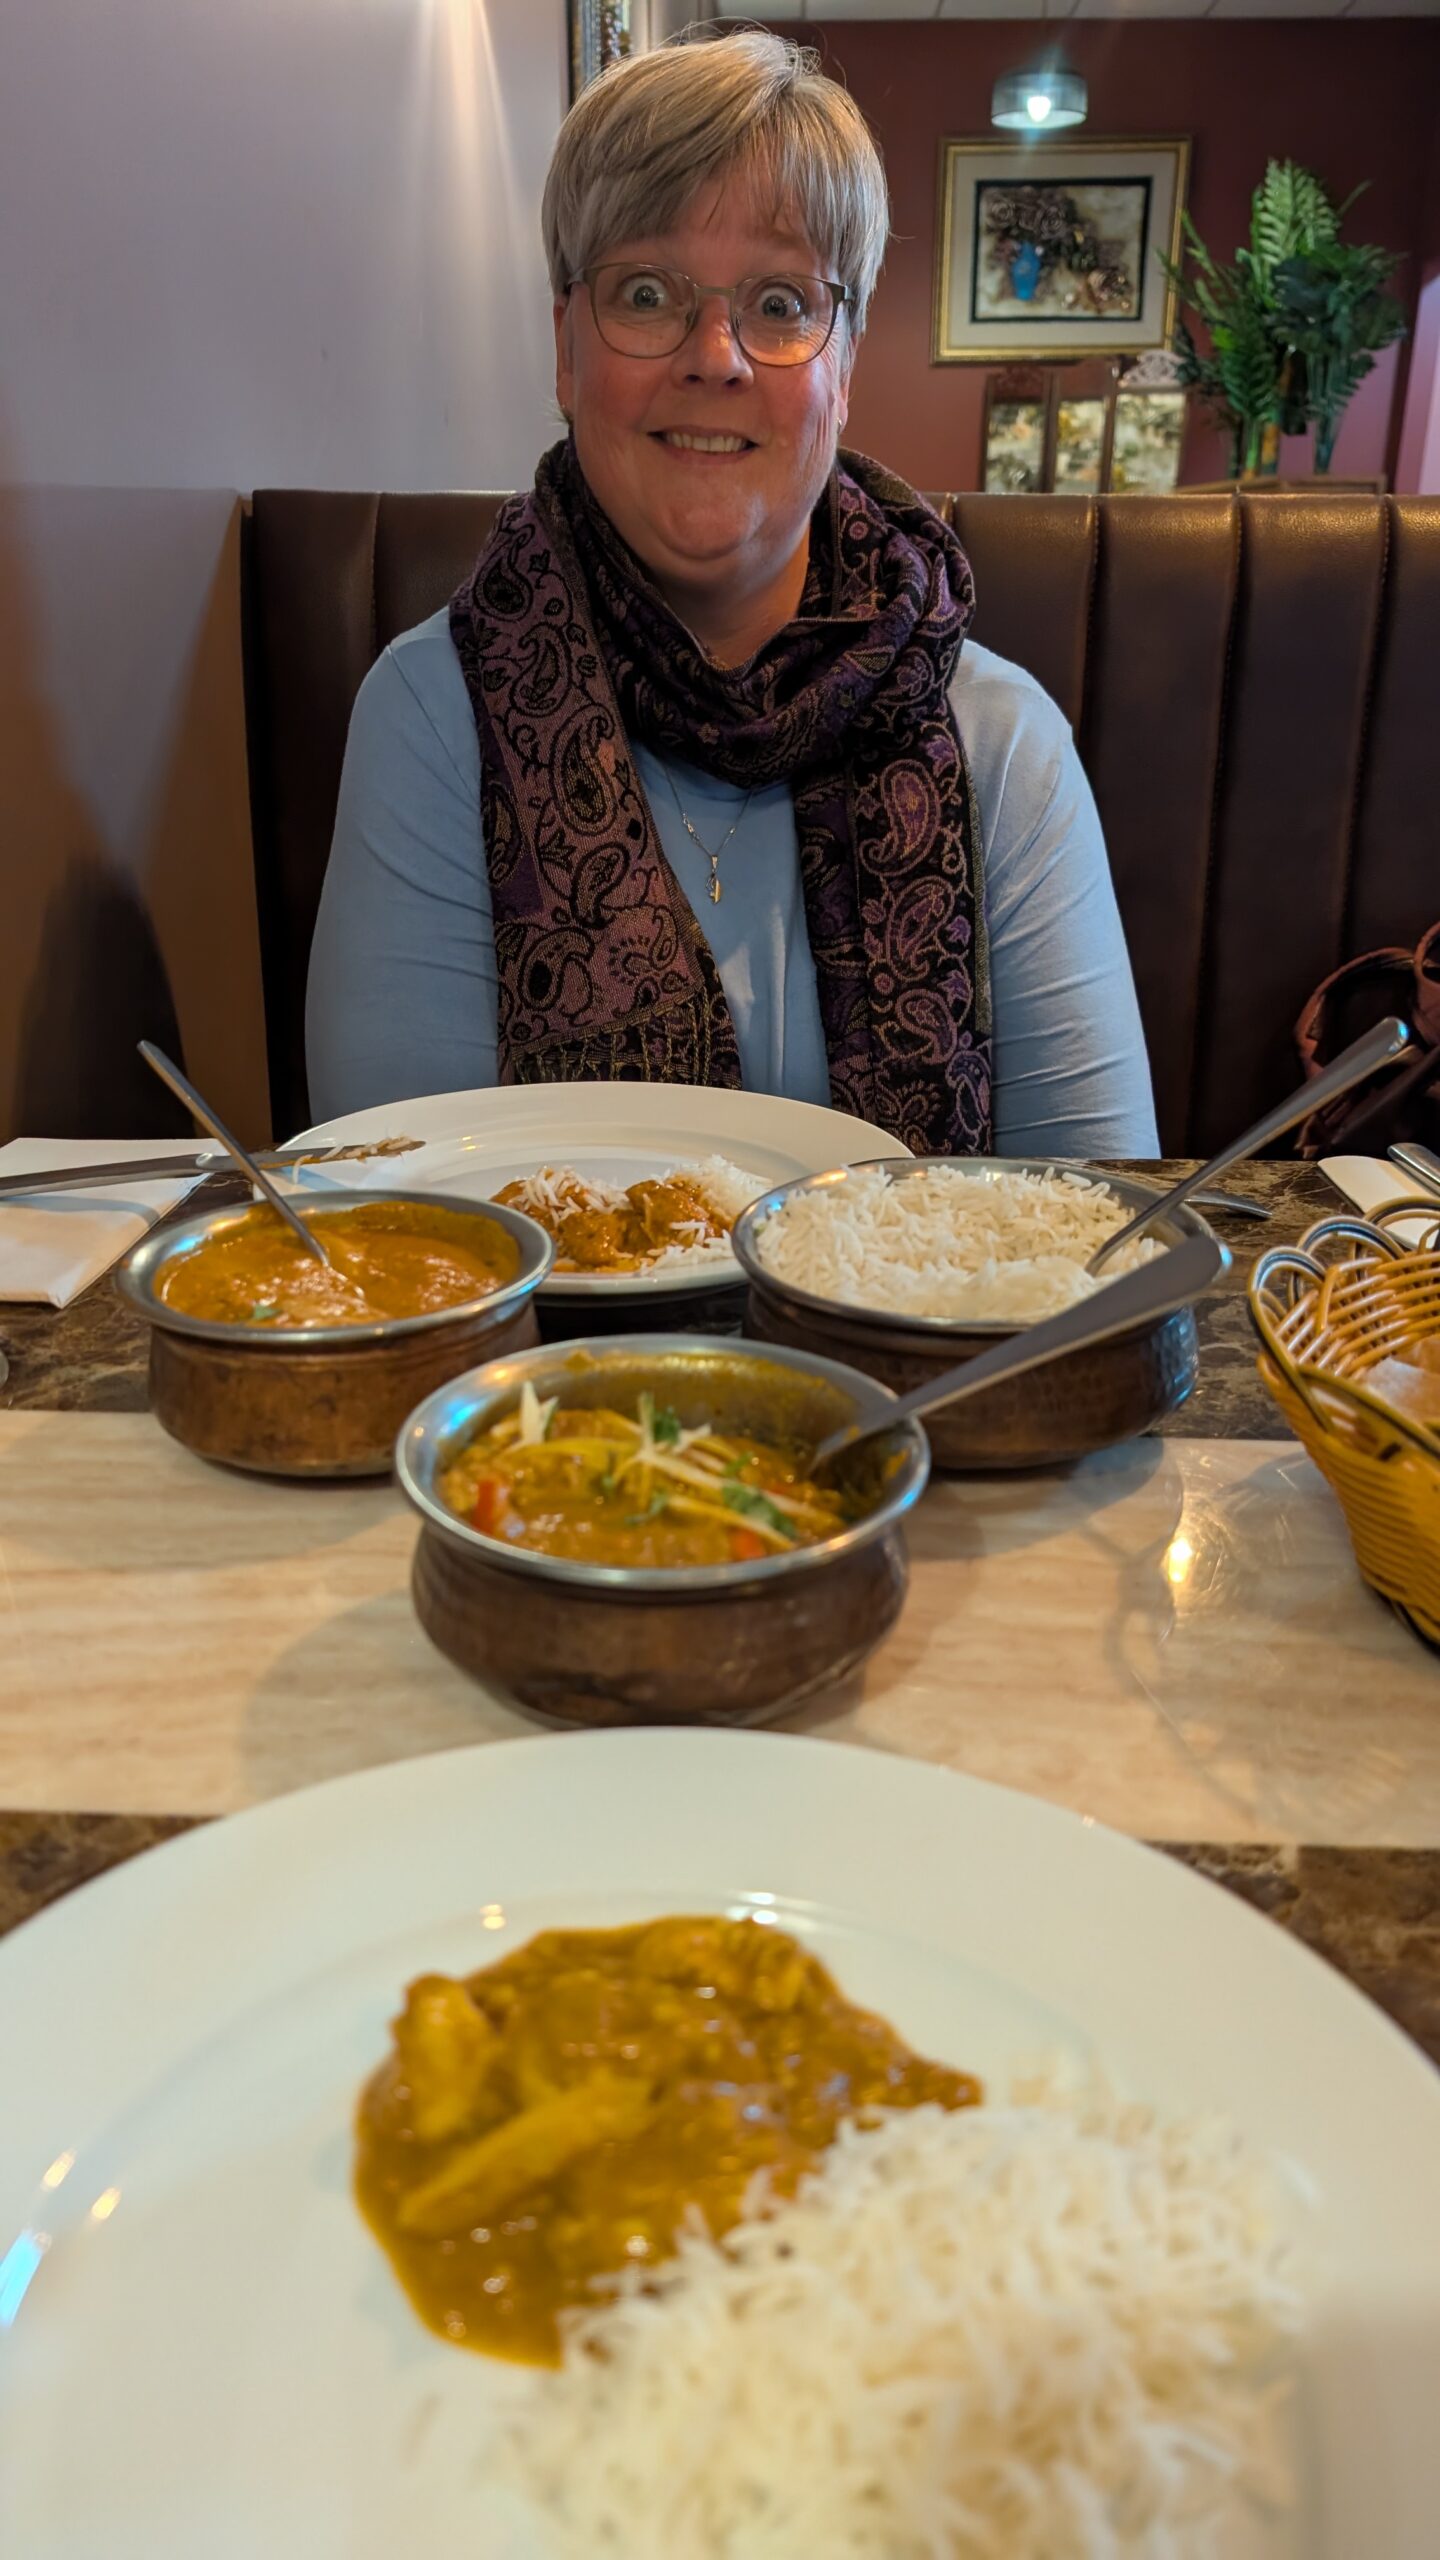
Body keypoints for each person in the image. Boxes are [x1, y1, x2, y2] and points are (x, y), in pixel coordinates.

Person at [307, 29, 1158, 1160]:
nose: (716, 354)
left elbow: (1098, 1223)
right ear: (566, 350)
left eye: (780, 303)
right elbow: (394, 1209)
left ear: (844, 369)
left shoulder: (1001, 743)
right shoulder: (430, 718)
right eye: (646, 292)